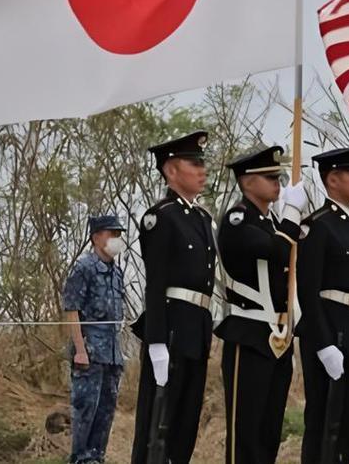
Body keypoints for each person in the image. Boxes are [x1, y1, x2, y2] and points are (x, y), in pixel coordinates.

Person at [215, 145, 309, 464]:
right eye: (269, 177)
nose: (277, 183)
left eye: (278, 176)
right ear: (246, 182)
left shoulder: (271, 222)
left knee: (269, 432)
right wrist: (292, 214)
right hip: (249, 334)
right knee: (246, 432)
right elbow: (277, 251)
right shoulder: (238, 219)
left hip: (278, 337)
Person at [130, 131, 217, 464]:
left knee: (184, 426)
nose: (201, 170)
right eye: (193, 163)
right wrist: (156, 342)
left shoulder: (202, 218)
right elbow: (156, 284)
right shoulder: (161, 217)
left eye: (202, 163)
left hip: (196, 330)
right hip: (170, 331)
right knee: (157, 427)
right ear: (170, 170)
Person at [293, 145, 349, 464]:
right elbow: (308, 290)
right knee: (322, 418)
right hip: (327, 330)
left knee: (347, 419)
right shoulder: (317, 225)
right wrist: (325, 344)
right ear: (333, 179)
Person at [62, 215, 128, 464]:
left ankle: (96, 458)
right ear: (97, 236)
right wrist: (80, 349)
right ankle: (81, 458)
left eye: (118, 234)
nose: (116, 239)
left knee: (106, 412)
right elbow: (71, 309)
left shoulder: (117, 272)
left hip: (111, 354)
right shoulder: (84, 268)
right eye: (112, 233)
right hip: (89, 352)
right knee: (86, 409)